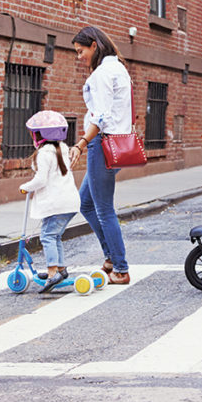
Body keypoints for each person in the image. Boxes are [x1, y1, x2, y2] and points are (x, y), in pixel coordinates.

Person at [69, 26, 132, 285]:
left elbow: (101, 116)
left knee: (104, 209)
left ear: (94, 45)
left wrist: (81, 144)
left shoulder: (103, 73)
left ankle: (120, 268)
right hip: (115, 144)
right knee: (85, 204)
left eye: (80, 51)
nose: (79, 56)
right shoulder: (117, 68)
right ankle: (110, 258)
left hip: (102, 144)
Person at [20, 110, 81, 293]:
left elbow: (41, 180)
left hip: (57, 204)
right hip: (68, 202)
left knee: (47, 236)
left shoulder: (44, 153)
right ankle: (60, 269)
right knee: (55, 236)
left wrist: (25, 187)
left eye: (35, 133)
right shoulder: (62, 149)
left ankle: (52, 271)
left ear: (41, 135)